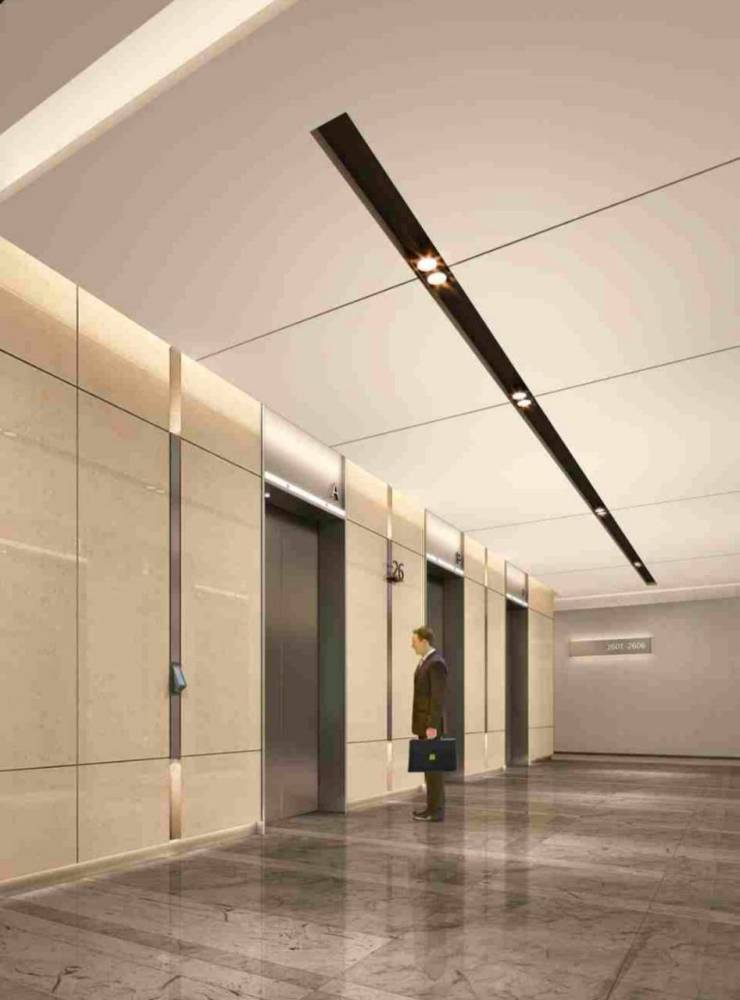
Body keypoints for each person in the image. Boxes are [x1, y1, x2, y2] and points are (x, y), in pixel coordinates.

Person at [410, 626, 448, 822]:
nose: (412, 645)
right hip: (424, 725)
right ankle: (430, 808)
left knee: (434, 771)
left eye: (414, 642)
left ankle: (436, 811)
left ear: (424, 641)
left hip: (430, 727)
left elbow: (437, 698)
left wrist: (432, 725)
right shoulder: (425, 662)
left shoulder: (436, 663)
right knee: (429, 768)